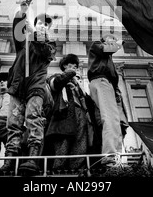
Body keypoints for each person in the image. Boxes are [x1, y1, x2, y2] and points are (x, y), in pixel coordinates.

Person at [0, 2, 56, 175]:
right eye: (39, 22)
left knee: (33, 119)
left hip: (35, 87)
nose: (42, 25)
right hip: (17, 88)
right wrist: (22, 13)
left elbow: (43, 50)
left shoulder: (49, 44)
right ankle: (10, 159)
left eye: (46, 24)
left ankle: (32, 158)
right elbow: (17, 30)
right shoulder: (23, 42)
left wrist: (34, 31)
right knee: (13, 124)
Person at [45, 54, 100, 172]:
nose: (75, 67)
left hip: (80, 112)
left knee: (81, 142)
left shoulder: (78, 85)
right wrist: (70, 73)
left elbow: (88, 101)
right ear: (64, 65)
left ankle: (77, 170)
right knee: (63, 143)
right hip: (64, 113)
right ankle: (58, 171)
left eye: (76, 66)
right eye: (72, 65)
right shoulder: (55, 77)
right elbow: (55, 84)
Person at [87, 34, 129, 168]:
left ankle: (115, 156)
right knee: (110, 118)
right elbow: (108, 48)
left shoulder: (107, 59)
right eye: (111, 39)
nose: (114, 42)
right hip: (101, 80)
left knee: (115, 120)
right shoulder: (97, 45)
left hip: (108, 84)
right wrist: (119, 42)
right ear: (104, 40)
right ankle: (110, 155)